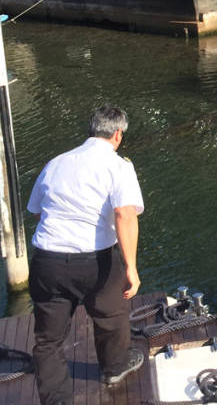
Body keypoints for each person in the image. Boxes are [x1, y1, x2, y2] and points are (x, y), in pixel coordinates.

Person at [27, 106, 145, 405]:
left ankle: (57, 401)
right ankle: (114, 367)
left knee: (48, 339)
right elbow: (124, 214)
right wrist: (131, 267)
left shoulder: (55, 163)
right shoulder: (118, 166)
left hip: (48, 260)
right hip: (95, 260)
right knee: (111, 314)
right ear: (118, 134)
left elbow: (37, 209)